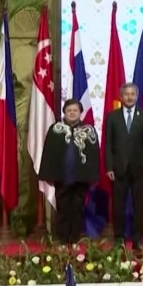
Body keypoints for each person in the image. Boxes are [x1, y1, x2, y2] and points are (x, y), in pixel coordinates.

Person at [38, 99, 100, 245]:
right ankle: (63, 241)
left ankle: (75, 240)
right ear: (64, 112)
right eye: (69, 110)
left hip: (81, 178)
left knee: (78, 210)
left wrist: (93, 177)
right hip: (61, 177)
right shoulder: (55, 129)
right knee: (62, 209)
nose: (72, 113)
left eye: (75, 110)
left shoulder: (89, 131)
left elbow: (94, 155)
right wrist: (47, 175)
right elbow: (48, 153)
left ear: (80, 113)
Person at [102, 82, 143, 251]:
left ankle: (137, 239)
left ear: (137, 96)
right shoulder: (112, 116)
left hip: (140, 168)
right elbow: (108, 144)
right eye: (126, 94)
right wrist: (109, 167)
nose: (130, 97)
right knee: (119, 205)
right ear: (121, 97)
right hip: (118, 169)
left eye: (132, 94)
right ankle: (119, 238)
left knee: (139, 206)